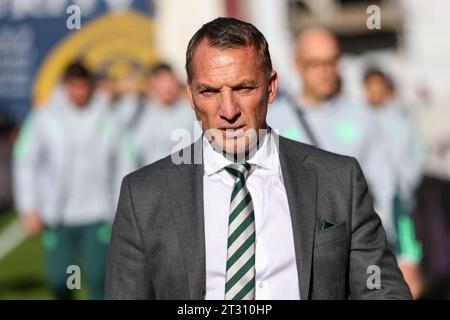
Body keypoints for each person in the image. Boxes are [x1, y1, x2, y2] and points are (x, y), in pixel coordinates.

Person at [105, 17, 411, 300]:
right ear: (190, 96)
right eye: (209, 92)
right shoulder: (143, 196)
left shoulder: (338, 180)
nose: (228, 110)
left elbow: (382, 291)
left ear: (271, 86)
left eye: (243, 88)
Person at [267, 28, 397, 251]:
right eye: (315, 63)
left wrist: (404, 252)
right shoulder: (272, 119)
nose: (325, 71)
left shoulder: (362, 115)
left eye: (331, 62)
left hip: (352, 244)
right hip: (294, 249)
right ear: (297, 65)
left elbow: (388, 189)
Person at [13, 62, 118, 299]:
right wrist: (28, 206)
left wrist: (122, 206)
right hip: (57, 214)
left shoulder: (109, 116)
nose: (79, 92)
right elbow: (25, 160)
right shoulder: (44, 117)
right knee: (59, 279)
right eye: (74, 87)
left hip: (98, 213)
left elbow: (123, 163)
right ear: (66, 87)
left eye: (83, 86)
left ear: (90, 86)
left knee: (98, 276)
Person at [363, 68, 425, 298]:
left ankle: (411, 285)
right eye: (370, 86)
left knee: (408, 247)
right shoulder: (361, 117)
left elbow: (416, 152)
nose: (374, 91)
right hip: (374, 197)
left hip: (402, 195)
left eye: (378, 85)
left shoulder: (400, 117)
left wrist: (406, 182)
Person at [119, 63, 199, 173]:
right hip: (145, 181)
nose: (168, 87)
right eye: (162, 81)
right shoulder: (140, 112)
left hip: (179, 180)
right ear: (152, 84)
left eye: (170, 81)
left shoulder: (190, 112)